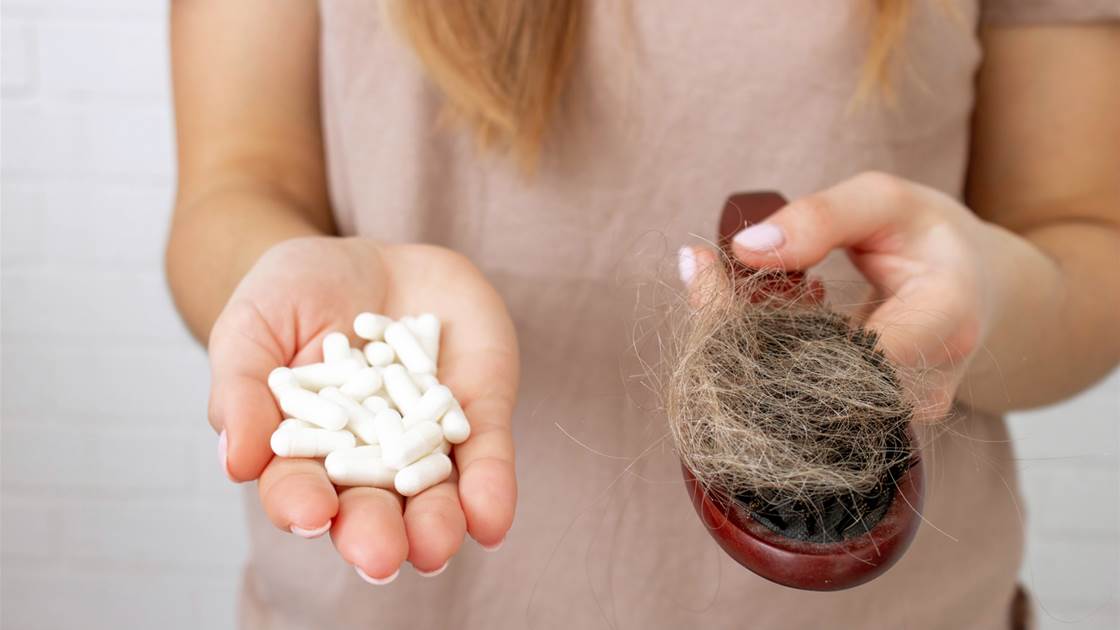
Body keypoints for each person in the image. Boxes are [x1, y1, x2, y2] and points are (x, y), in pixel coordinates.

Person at [165, 1, 1120, 628]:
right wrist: (295, 293)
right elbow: (236, 183)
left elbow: (1087, 248)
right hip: (388, 595)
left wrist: (981, 299)